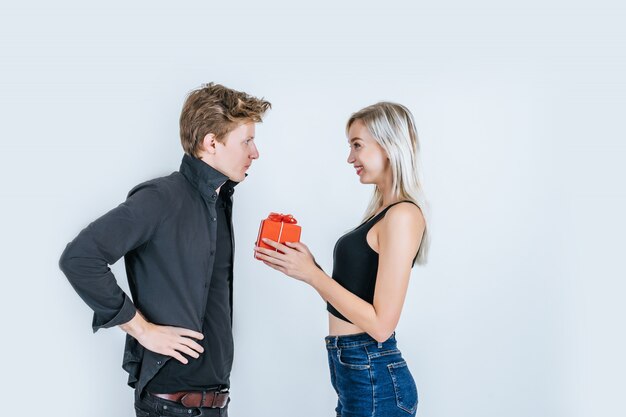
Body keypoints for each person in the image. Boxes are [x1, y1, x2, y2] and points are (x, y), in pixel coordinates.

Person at [59, 82, 271, 417]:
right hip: (169, 406)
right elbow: (80, 258)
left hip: (215, 404)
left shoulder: (219, 201)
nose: (255, 152)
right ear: (211, 142)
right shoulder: (161, 198)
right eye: (247, 141)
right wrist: (141, 330)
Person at [254, 102, 429, 417]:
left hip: (372, 375)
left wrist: (313, 276)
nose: (350, 158)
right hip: (356, 370)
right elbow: (357, 294)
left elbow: (380, 325)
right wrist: (308, 267)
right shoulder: (381, 213)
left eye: (357, 146)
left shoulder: (403, 214)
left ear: (389, 146)